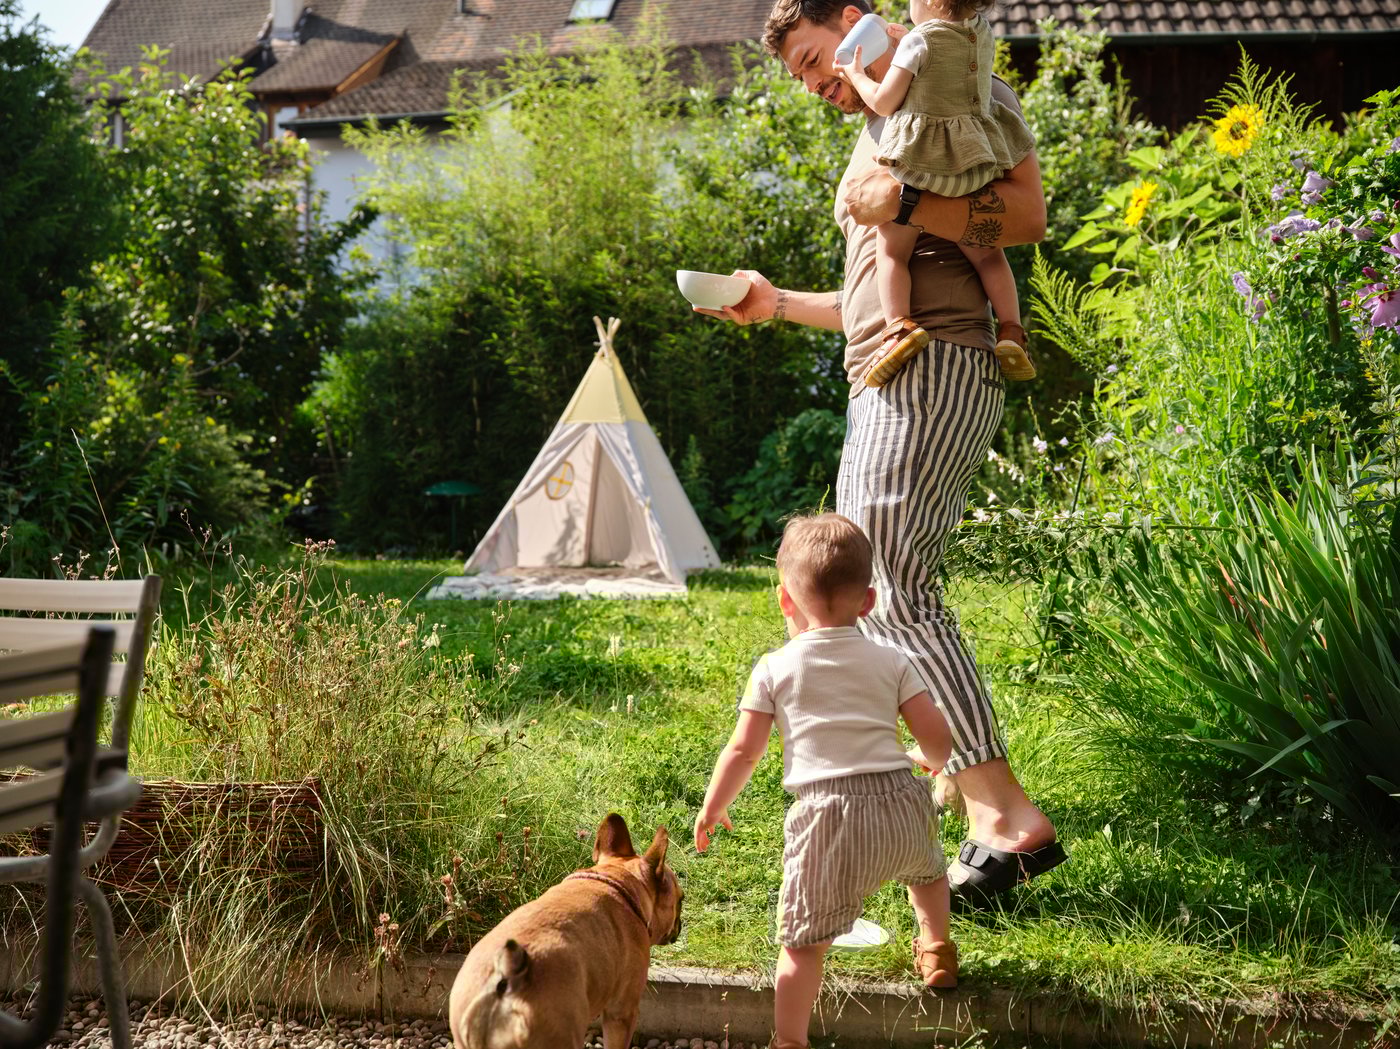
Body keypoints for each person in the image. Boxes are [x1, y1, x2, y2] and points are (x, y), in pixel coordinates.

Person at [691, 0, 1065, 907]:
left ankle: (1005, 818)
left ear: (855, 20)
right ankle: (956, 781)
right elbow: (868, 289)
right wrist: (775, 303)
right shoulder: (877, 129)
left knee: (888, 586)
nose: (819, 83)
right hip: (880, 376)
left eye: (818, 58)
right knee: (874, 588)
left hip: (935, 363)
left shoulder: (964, 89)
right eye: (803, 76)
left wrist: (904, 199)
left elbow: (1024, 216)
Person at [693, 513, 958, 1049]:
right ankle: (936, 951)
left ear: (785, 601)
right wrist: (925, 757)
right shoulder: (893, 659)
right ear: (869, 601)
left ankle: (790, 1039)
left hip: (828, 817)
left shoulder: (774, 667)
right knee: (928, 876)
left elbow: (745, 750)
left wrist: (713, 805)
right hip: (903, 801)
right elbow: (938, 736)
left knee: (803, 942)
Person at [832, 0, 1036, 386]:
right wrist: (906, 39)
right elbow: (946, 73)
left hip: (922, 169)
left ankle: (898, 329)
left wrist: (855, 74)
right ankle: (1011, 330)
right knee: (989, 256)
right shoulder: (980, 32)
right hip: (973, 165)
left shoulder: (919, 43)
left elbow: (884, 101)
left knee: (891, 250)